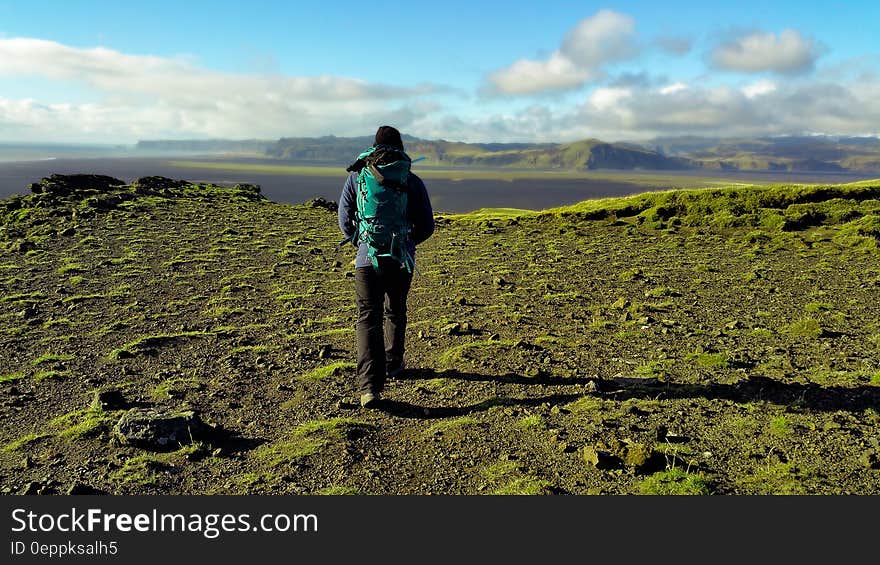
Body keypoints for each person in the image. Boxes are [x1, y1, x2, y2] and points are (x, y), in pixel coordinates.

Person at [338, 125, 435, 408]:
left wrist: (362, 241)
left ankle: (369, 387)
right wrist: (406, 243)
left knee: (368, 317)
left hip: (367, 259)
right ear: (401, 147)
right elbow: (427, 225)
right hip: (401, 259)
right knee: (396, 309)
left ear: (374, 146)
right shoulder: (412, 180)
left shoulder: (358, 177)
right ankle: (394, 363)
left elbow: (344, 219)